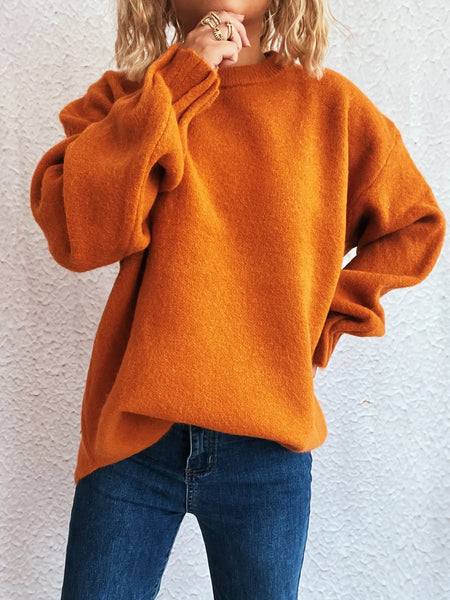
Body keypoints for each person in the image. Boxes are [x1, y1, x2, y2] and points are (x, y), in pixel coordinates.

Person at [29, 1, 446, 598]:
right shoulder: (128, 99)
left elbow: (414, 224)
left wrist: (321, 323)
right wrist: (179, 80)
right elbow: (78, 234)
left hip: (268, 449)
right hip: (132, 440)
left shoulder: (330, 107)